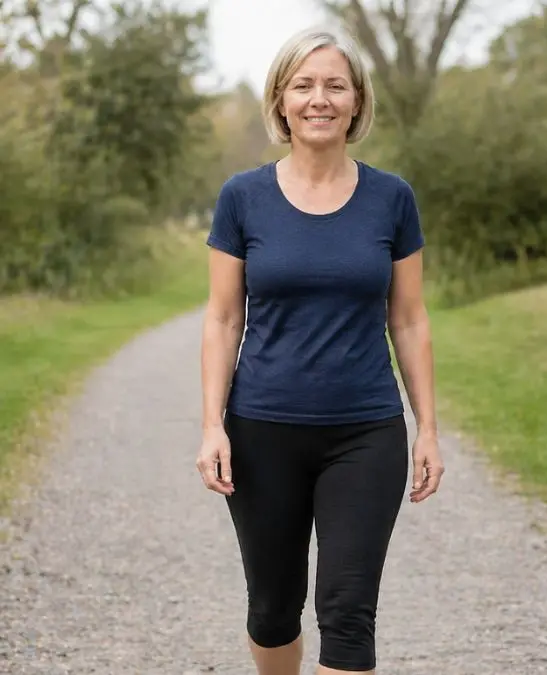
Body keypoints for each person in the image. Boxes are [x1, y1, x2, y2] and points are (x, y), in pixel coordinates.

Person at [195, 26, 445, 675]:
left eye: (336, 85)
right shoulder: (242, 198)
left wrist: (429, 429)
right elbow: (223, 319)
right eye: (303, 85)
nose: (319, 99)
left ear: (357, 102)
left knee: (349, 613)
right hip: (261, 431)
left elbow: (410, 319)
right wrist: (210, 425)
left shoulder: (392, 199)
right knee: (273, 609)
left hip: (365, 431)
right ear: (281, 101)